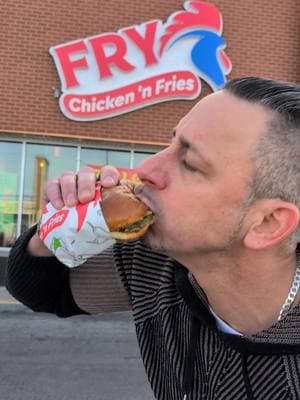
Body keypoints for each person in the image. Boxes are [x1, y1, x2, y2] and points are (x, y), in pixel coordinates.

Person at [6, 76, 300, 400]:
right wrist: (60, 229)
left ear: (268, 223)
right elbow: (44, 290)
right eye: (171, 142)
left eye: (189, 163)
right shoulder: (153, 263)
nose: (146, 167)